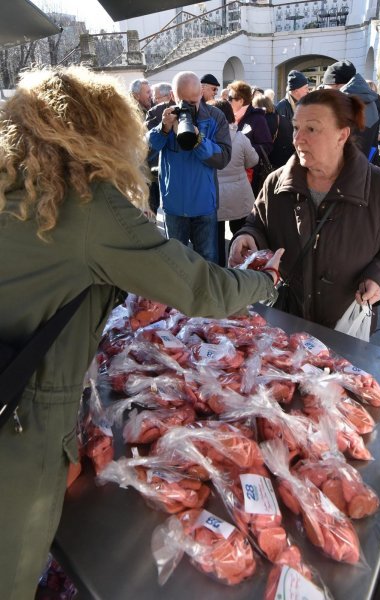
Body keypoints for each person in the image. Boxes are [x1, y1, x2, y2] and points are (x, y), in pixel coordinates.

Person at [0, 65, 283, 600]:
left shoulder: (15, 183)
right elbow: (202, 289)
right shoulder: (87, 204)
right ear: (105, 130)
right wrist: (264, 282)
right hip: (20, 425)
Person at [229, 89, 380, 330]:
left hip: (345, 326)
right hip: (284, 320)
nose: (297, 139)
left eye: (311, 129)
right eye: (296, 128)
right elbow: (256, 225)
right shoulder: (276, 182)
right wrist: (247, 236)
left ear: (342, 135)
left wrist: (379, 277)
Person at [148, 71, 232, 262]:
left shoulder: (215, 116)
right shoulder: (160, 114)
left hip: (204, 207)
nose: (189, 108)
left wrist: (198, 141)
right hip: (174, 207)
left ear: (201, 93)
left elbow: (223, 158)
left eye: (194, 102)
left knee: (207, 261)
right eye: (184, 102)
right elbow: (144, 153)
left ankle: (206, 293)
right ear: (173, 96)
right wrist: (163, 129)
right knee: (175, 263)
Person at [209, 99, 259, 266]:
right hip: (239, 195)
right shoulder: (240, 137)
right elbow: (253, 160)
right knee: (241, 237)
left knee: (215, 242)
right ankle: (241, 271)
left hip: (214, 195)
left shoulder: (207, 139)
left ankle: (218, 274)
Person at [323, 59, 380, 159]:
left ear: (336, 84)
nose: (324, 90)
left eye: (326, 86)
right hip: (364, 165)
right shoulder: (370, 100)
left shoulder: (344, 103)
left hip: (344, 167)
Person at [228, 80, 272, 196]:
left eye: (230, 98)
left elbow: (267, 146)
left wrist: (244, 149)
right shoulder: (232, 117)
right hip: (235, 174)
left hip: (251, 176)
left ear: (241, 101)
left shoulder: (257, 118)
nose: (227, 101)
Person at [145, 82, 175, 215]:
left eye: (157, 98)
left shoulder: (154, 111)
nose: (154, 101)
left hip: (158, 168)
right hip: (157, 169)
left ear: (169, 95)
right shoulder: (154, 112)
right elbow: (149, 141)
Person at [274, 70, 309, 167]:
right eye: (305, 88)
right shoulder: (280, 108)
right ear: (296, 90)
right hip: (283, 160)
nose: (308, 90)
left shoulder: (302, 104)